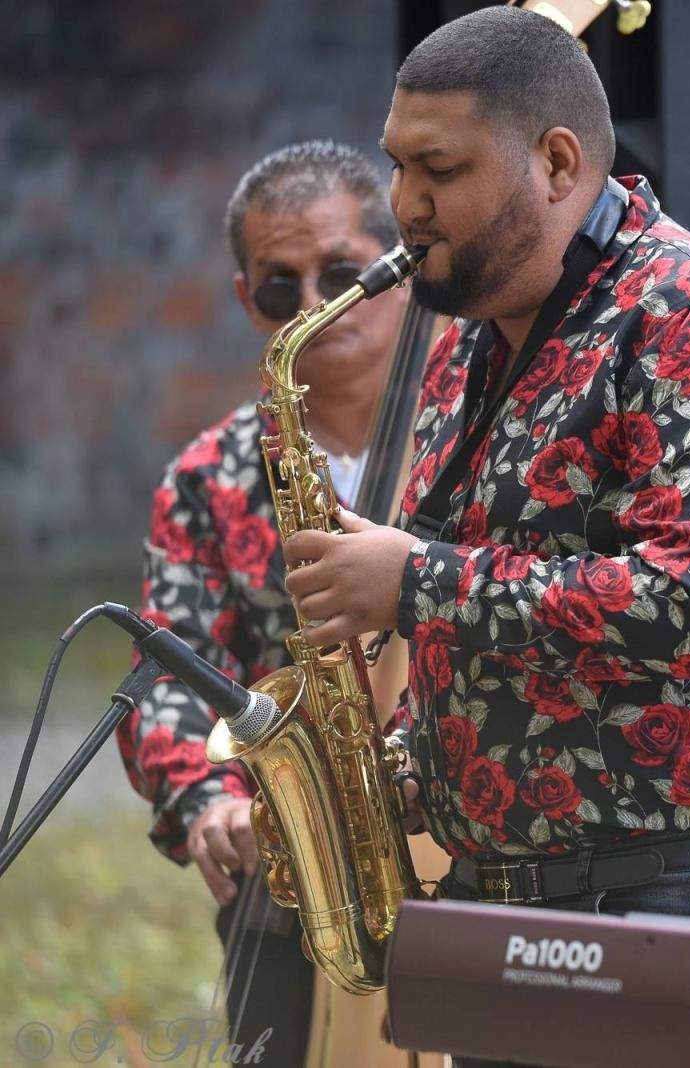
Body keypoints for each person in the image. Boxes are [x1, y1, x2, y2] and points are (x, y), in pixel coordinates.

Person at [282, 9, 690, 1049]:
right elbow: (511, 634)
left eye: (437, 170)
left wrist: (419, 582)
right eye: (397, 167)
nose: (405, 206)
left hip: (676, 908)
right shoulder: (469, 349)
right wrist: (384, 772)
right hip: (507, 907)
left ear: (557, 163)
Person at [115, 140, 407, 1066]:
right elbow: (164, 675)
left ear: (396, 273)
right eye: (281, 286)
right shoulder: (205, 478)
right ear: (249, 303)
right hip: (291, 879)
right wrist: (207, 800)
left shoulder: (483, 428)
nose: (314, 305)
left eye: (341, 272)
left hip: (466, 858)